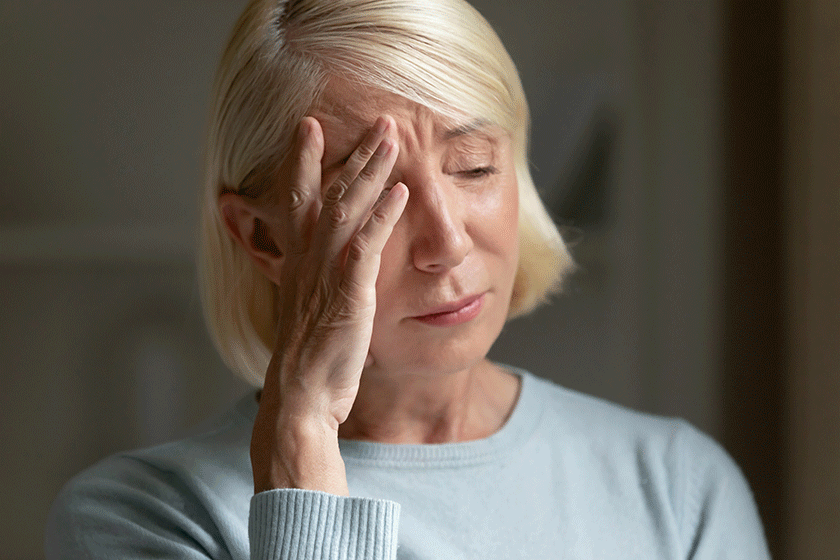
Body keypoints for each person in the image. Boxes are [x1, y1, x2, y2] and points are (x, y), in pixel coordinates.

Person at [45, 0, 771, 558]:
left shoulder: (675, 485)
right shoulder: (140, 516)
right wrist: (302, 435)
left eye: (475, 167)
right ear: (262, 236)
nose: (447, 243)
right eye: (374, 194)